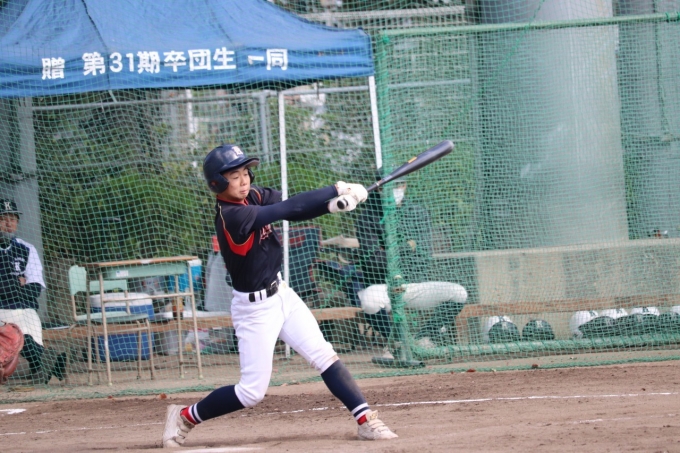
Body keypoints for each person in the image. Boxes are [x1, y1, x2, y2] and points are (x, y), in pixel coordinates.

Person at [162, 144, 398, 447]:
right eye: (234, 176)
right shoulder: (232, 216)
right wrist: (338, 188)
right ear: (217, 183)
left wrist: (332, 205)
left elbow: (294, 207)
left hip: (282, 293)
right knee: (251, 392)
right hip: (254, 310)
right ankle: (184, 416)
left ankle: (366, 420)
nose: (243, 180)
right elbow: (288, 209)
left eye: (245, 172)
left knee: (324, 355)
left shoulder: (252, 195)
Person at [355, 176, 468, 355]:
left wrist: (389, 250)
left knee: (459, 293)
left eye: (399, 184)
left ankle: (423, 338)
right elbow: (373, 261)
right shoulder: (367, 217)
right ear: (379, 189)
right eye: (388, 186)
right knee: (369, 301)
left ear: (405, 185)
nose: (396, 189)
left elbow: (423, 255)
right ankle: (398, 342)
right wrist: (407, 247)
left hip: (414, 284)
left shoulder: (417, 212)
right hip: (383, 286)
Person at [0, 199, 65, 385]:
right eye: (3, 219)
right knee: (15, 336)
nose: (8, 223)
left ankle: (40, 370)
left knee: (28, 334)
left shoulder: (27, 249)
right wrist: (17, 282)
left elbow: (34, 289)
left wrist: (6, 285)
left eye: (13, 219)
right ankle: (53, 365)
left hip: (24, 309)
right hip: (1, 310)